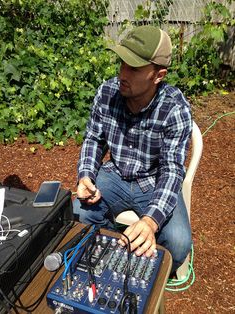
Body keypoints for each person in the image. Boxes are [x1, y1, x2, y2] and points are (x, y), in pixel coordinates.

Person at [73, 25, 192, 274]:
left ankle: (146, 276)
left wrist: (150, 221)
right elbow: (94, 139)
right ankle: (109, 259)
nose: (122, 74)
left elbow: (171, 171)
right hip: (114, 174)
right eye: (122, 64)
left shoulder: (175, 108)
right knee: (76, 215)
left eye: (134, 68)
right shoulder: (107, 92)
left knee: (179, 244)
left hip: (154, 181)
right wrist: (85, 175)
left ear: (158, 75)